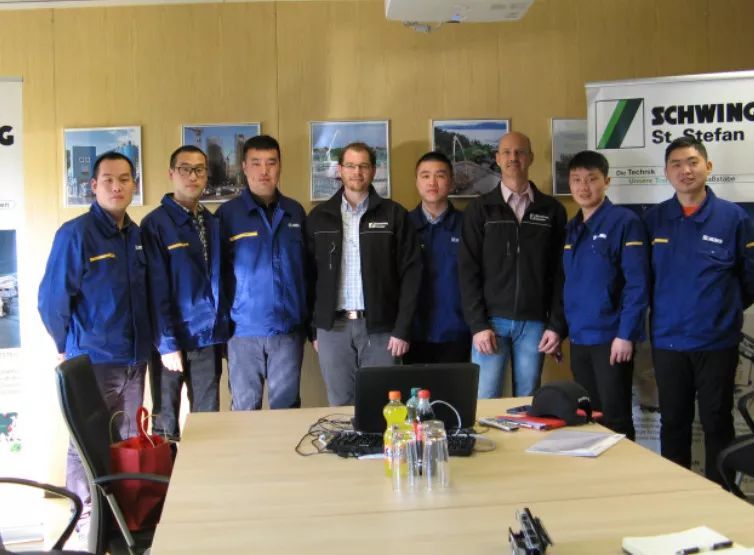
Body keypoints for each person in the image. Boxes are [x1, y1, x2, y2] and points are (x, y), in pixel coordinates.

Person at [38, 151, 151, 528]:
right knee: (86, 443)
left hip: (134, 360)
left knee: (128, 440)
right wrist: (63, 346)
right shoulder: (76, 234)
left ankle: (121, 519)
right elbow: (52, 300)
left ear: (135, 184)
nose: (117, 187)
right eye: (108, 180)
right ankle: (84, 521)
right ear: (94, 186)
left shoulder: (135, 235)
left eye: (124, 179)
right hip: (94, 360)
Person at [644, 136, 754, 484]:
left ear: (708, 167)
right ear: (666, 173)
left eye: (692, 162)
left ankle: (721, 496)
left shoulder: (734, 218)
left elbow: (749, 279)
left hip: (716, 342)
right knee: (673, 421)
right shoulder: (654, 219)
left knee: (717, 421)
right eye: (676, 164)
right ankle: (676, 495)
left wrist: (722, 309)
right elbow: (642, 279)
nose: (685, 170)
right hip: (668, 341)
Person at [306, 142, 422, 406]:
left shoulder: (394, 214)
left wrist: (402, 329)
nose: (356, 172)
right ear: (340, 170)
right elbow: (308, 277)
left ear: (373, 170)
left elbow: (412, 275)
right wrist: (313, 330)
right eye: (350, 166)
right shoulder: (319, 217)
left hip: (382, 329)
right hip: (332, 329)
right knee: (340, 406)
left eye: (363, 166)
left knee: (384, 406)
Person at [459, 131, 567, 398]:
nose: (513, 157)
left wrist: (556, 325)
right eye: (506, 152)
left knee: (528, 400)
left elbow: (561, 273)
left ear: (530, 158)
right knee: (485, 399)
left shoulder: (552, 210)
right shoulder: (480, 209)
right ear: (497, 158)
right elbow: (468, 271)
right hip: (490, 323)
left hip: (534, 323)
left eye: (520, 152)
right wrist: (478, 324)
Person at [141, 145, 228, 441]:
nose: (193, 176)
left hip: (207, 337)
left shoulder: (212, 222)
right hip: (170, 341)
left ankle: (204, 472)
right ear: (171, 174)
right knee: (165, 425)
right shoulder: (154, 225)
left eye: (199, 170)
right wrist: (166, 345)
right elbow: (155, 289)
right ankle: (166, 473)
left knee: (208, 422)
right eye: (185, 169)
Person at [216, 135, 307, 410]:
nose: (264, 170)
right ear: (244, 167)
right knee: (245, 411)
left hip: (288, 331)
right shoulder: (227, 215)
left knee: (286, 410)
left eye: (271, 162)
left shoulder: (295, 212)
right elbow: (217, 276)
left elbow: (308, 270)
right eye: (256, 163)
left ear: (280, 166)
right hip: (243, 331)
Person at [563, 150, 649, 440]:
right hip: (579, 339)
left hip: (611, 339)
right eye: (576, 180)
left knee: (616, 419)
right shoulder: (572, 228)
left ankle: (623, 470)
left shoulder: (624, 222)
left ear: (607, 181)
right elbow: (570, 283)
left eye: (591, 179)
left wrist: (626, 334)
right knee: (589, 418)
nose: (583, 187)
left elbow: (637, 284)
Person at [404, 151, 470, 364]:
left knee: (455, 387)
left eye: (440, 176)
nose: (432, 182)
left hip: (457, 332)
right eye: (425, 176)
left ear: (450, 181)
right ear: (416, 181)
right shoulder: (403, 225)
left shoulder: (468, 225)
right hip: (411, 334)